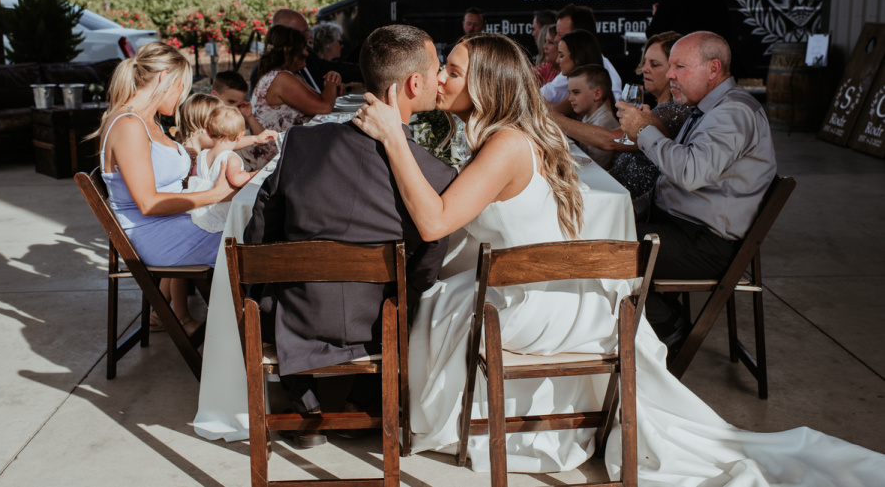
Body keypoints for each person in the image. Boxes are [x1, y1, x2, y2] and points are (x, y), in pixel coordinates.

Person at [354, 33, 885, 484]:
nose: (440, 79)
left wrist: (393, 140)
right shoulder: (511, 136)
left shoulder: (506, 145)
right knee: (448, 285)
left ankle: (427, 414)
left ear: (486, 84)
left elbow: (434, 222)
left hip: (539, 308)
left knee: (434, 299)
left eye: (452, 70)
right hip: (567, 297)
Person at [243, 24, 456, 448]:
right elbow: (429, 262)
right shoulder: (436, 175)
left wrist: (263, 283)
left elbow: (262, 225)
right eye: (438, 70)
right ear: (415, 83)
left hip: (297, 313)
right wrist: (403, 297)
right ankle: (367, 397)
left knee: (268, 269)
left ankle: (304, 400)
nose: (442, 79)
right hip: (379, 319)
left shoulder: (302, 143)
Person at [617, 31, 775, 346]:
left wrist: (645, 131)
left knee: (601, 250)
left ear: (713, 69)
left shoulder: (733, 113)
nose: (670, 75)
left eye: (680, 67)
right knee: (603, 228)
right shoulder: (709, 107)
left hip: (705, 245)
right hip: (684, 229)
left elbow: (689, 172)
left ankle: (670, 329)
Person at [94, 42, 236, 335]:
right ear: (163, 78)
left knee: (251, 223)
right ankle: (248, 336)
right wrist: (215, 194)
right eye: (181, 87)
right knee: (248, 237)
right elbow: (148, 203)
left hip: (175, 222)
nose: (182, 96)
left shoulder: (148, 120)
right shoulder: (128, 125)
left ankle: (246, 332)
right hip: (159, 234)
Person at [551, 31, 690, 212]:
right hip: (614, 191)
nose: (645, 68)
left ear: (675, 71)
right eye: (645, 62)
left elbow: (611, 141)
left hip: (627, 205)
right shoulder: (654, 109)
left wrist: (551, 118)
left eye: (654, 64)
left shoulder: (675, 111)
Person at [241, 25, 342, 170]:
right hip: (275, 160)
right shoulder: (282, 78)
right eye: (303, 48)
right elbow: (324, 107)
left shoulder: (288, 75)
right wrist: (332, 81)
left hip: (287, 153)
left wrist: (332, 83)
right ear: (287, 51)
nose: (307, 53)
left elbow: (321, 100)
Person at [183, 106, 260, 233]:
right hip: (220, 209)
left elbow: (195, 173)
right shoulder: (231, 157)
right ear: (241, 134)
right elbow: (237, 179)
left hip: (201, 207)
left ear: (207, 131)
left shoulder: (203, 155)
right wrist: (254, 174)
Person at [250, 8, 362, 91]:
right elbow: (322, 107)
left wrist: (371, 71)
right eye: (303, 33)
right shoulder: (268, 72)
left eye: (308, 31)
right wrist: (330, 86)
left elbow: (333, 67)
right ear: (285, 35)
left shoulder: (305, 55)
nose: (308, 36)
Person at [540, 4, 623, 104]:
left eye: (561, 35)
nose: (556, 39)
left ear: (580, 37)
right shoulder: (580, 66)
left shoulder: (581, 70)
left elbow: (541, 98)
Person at [565, 64, 619, 169]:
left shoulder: (604, 122)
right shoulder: (588, 117)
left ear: (597, 94)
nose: (570, 98)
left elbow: (596, 167)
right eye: (569, 93)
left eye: (576, 92)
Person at [211, 70, 266, 137]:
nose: (235, 107)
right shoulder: (207, 118)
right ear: (215, 96)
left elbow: (263, 138)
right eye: (231, 101)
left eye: (239, 104)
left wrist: (249, 117)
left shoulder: (241, 117)